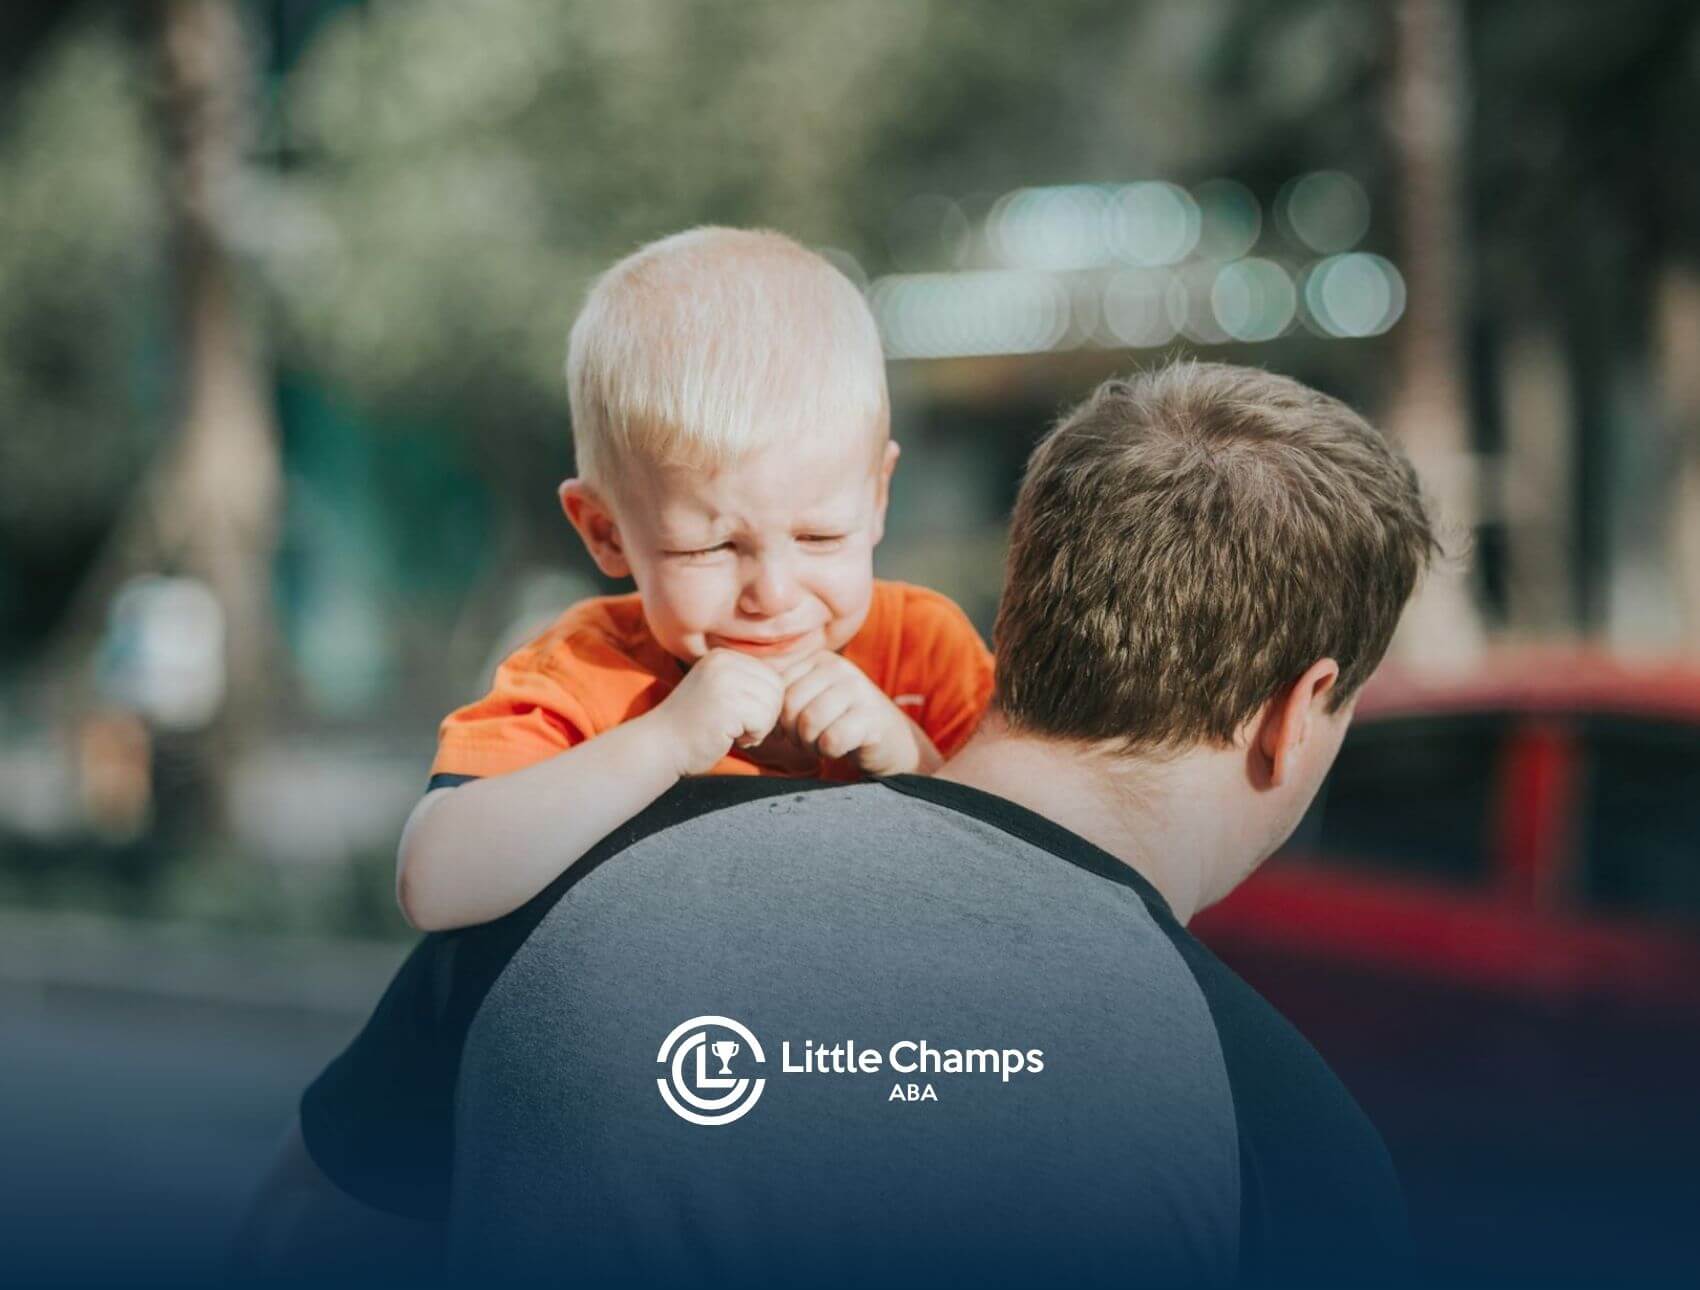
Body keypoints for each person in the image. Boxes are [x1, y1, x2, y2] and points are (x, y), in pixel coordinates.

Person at [241, 361, 1437, 1287]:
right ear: (1296, 712)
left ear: (1021, 609)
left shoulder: (554, 887)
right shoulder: (1286, 1135)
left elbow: (301, 1241)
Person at [395, 227, 994, 932]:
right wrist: (662, 741)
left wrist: (913, 759)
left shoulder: (924, 650)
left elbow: (1037, 881)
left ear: (878, 497)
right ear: (604, 531)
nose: (772, 594)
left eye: (819, 536)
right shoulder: (585, 673)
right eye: (710, 548)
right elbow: (435, 884)